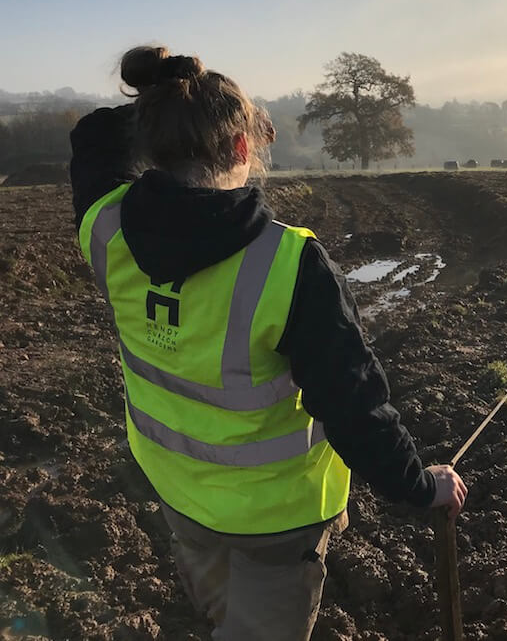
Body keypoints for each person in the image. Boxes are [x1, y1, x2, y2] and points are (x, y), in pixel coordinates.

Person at [69, 45, 467, 641]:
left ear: (153, 141)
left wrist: (166, 101)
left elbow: (92, 137)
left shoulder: (105, 227)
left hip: (178, 491)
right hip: (277, 518)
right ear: (241, 148)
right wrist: (419, 485)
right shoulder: (290, 265)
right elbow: (354, 405)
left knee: (223, 616)